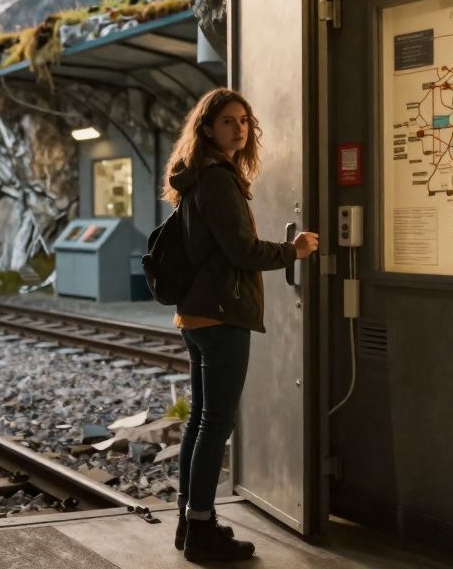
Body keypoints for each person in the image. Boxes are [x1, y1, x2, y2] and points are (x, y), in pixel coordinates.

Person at [162, 87, 319, 562]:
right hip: (221, 313)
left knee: (201, 422)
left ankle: (189, 523)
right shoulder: (216, 180)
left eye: (245, 120)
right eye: (228, 121)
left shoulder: (196, 177)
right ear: (207, 128)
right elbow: (243, 251)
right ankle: (204, 532)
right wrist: (294, 250)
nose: (239, 128)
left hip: (197, 313)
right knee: (215, 423)